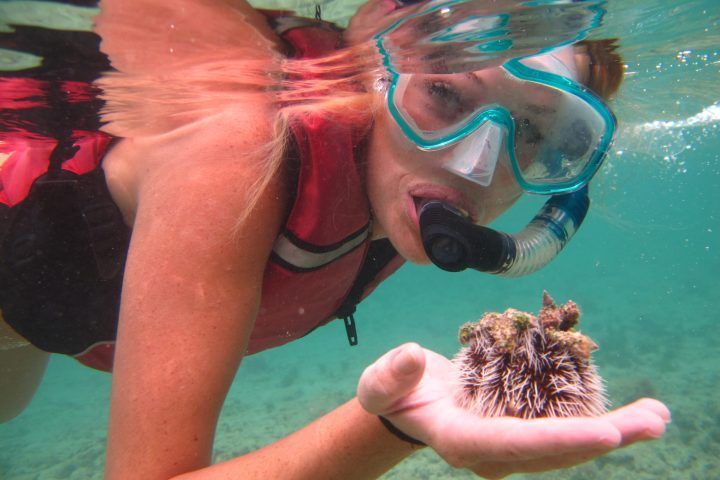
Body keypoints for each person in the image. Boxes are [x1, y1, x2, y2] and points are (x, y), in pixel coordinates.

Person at [0, 0, 670, 478]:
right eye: (445, 95)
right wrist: (392, 425)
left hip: (47, 328)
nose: (476, 166)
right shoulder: (240, 149)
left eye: (531, 133)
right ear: (379, 70)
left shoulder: (398, 185)